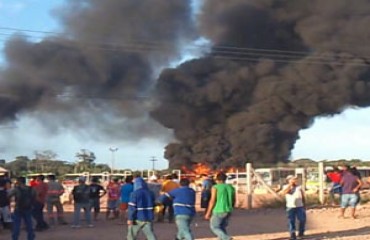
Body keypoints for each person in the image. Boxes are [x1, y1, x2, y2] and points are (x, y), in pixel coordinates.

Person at [205, 172, 235, 240]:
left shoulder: (215, 187)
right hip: (228, 209)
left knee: (214, 226)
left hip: (218, 209)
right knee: (222, 227)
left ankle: (226, 238)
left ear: (217, 179)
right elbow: (233, 200)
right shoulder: (231, 187)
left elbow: (212, 200)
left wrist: (208, 212)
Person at [282, 175, 306, 240]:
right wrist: (290, 185)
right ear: (288, 180)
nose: (294, 180)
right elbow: (285, 192)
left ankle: (301, 233)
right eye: (292, 179)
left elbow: (302, 196)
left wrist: (304, 204)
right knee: (291, 221)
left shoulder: (299, 187)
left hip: (299, 206)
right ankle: (292, 234)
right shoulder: (285, 187)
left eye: (295, 179)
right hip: (290, 206)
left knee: (302, 219)